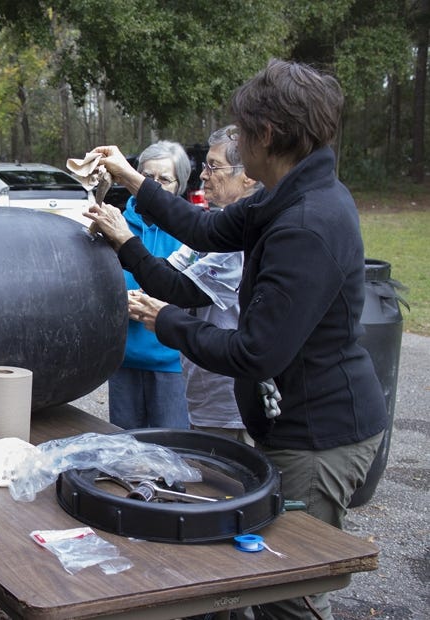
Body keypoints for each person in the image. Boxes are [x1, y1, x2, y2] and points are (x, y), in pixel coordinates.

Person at [87, 59, 386, 620]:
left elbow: (256, 352)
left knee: (285, 595)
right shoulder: (286, 193)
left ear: (266, 135)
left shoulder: (307, 223)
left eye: (241, 129)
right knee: (260, 576)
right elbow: (205, 229)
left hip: (319, 437)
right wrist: (132, 180)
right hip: (289, 423)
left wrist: (165, 321)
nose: (230, 141)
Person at [89, 126, 260, 443]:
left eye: (212, 166)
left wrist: (124, 239)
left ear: (247, 176)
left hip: (230, 406)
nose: (204, 175)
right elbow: (165, 274)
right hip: (203, 396)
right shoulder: (214, 229)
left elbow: (177, 288)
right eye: (205, 166)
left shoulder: (237, 239)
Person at [104, 140, 190, 431]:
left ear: (179, 185)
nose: (152, 185)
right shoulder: (115, 224)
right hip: (123, 359)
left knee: (173, 451)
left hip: (171, 362)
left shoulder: (191, 231)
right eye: (146, 177)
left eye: (164, 179)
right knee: (128, 451)